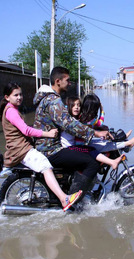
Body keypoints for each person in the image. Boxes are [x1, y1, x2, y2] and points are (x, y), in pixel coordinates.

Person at [0, 82, 82, 212]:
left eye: (20, 94)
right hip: (21, 149)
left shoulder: (11, 109)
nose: (19, 97)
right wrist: (47, 134)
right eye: (15, 95)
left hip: (20, 147)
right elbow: (26, 130)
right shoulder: (11, 111)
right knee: (45, 166)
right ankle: (64, 199)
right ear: (7, 97)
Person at [33, 67, 112, 204]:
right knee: (92, 163)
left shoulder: (48, 99)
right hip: (51, 149)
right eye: (67, 80)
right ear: (58, 81)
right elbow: (69, 124)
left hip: (48, 146)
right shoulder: (53, 101)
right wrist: (96, 133)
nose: (70, 83)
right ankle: (73, 202)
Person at [61, 96, 124, 170]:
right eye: (74, 105)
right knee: (92, 150)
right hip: (70, 147)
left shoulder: (78, 118)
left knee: (96, 146)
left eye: (78, 105)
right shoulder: (73, 121)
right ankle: (111, 162)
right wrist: (102, 110)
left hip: (75, 144)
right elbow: (99, 124)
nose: (76, 107)